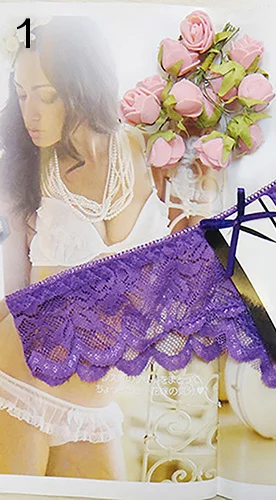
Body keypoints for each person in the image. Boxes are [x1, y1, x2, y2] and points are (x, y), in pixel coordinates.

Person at [0, 17, 192, 479]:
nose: (31, 113)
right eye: (22, 95)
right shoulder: (26, 168)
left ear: (83, 85)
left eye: (47, 95)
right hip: (20, 383)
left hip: (95, 406)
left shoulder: (148, 148)